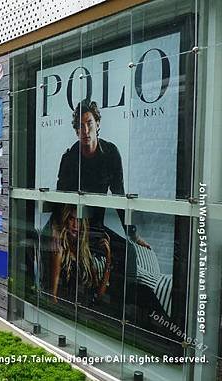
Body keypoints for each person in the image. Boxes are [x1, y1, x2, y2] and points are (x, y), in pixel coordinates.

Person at [56, 99, 150, 249]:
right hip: (72, 228)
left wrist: (132, 234)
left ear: (97, 124)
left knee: (127, 252)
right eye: (81, 126)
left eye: (89, 123)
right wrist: (59, 233)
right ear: (76, 131)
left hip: (95, 229)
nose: (86, 131)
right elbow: (59, 201)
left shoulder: (111, 153)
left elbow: (119, 195)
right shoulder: (69, 158)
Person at [50, 205, 111, 306]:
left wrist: (108, 258)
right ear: (65, 221)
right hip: (68, 310)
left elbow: (99, 295)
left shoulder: (85, 255)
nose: (75, 225)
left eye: (78, 220)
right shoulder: (60, 251)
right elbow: (53, 296)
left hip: (87, 310)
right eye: (71, 219)